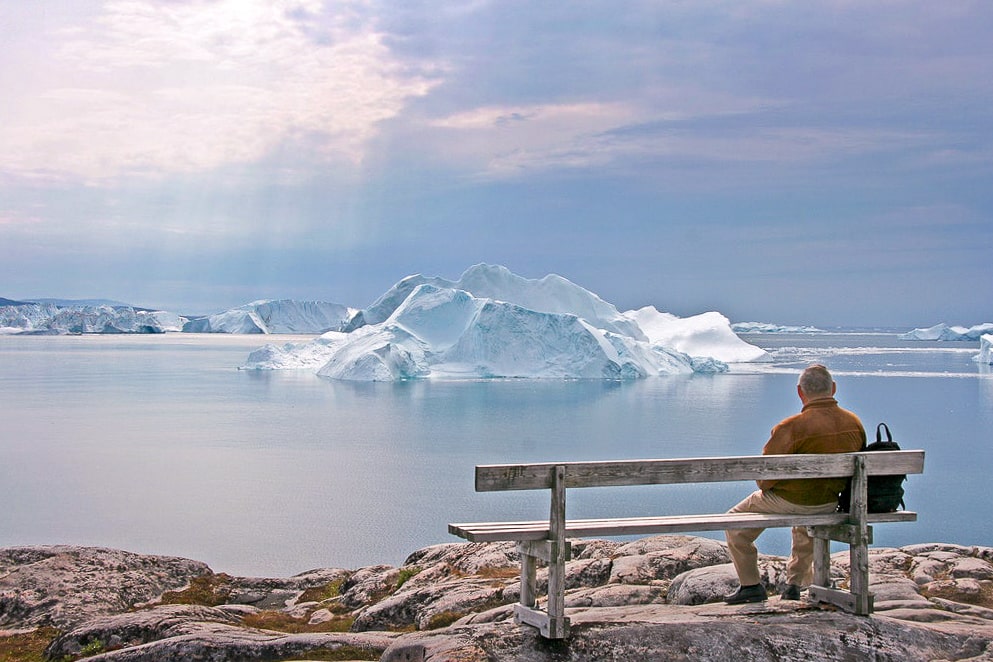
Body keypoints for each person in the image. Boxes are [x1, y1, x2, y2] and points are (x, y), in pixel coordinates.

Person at [723, 364, 866, 605]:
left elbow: (765, 479)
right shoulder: (854, 423)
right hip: (828, 502)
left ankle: (751, 585)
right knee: (806, 520)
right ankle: (794, 584)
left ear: (800, 392)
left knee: (734, 523)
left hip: (789, 502)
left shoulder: (790, 427)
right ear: (833, 388)